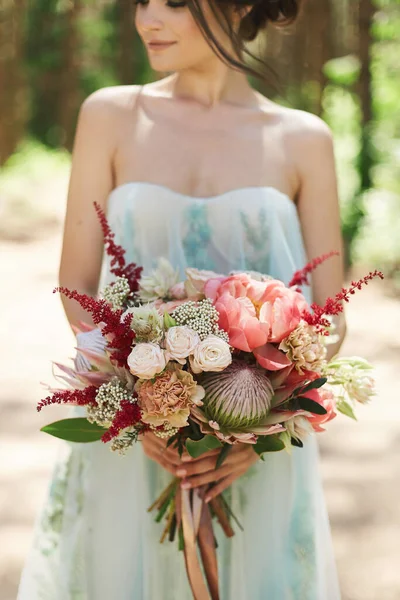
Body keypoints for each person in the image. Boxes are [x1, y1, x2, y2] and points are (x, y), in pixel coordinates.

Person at [17, 0, 347, 597]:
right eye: (141, 2)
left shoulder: (303, 139)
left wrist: (261, 430)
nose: (147, 20)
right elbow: (77, 289)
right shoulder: (112, 115)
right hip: (128, 438)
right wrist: (140, 405)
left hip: (259, 451)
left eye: (173, 2)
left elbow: (331, 315)